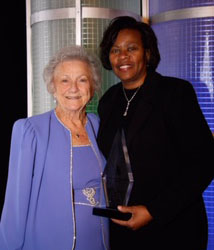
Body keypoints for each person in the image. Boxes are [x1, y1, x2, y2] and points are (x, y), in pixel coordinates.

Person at [97, 15, 214, 250]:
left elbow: (205, 162)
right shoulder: (108, 100)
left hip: (172, 227)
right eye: (115, 50)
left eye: (132, 48)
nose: (123, 57)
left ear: (147, 53)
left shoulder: (175, 93)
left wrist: (153, 211)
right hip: (122, 231)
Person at [0, 45, 109, 250]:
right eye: (65, 80)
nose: (73, 88)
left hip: (98, 241)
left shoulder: (98, 125)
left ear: (92, 87)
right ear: (53, 86)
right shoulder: (30, 130)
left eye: (82, 80)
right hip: (50, 242)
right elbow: (15, 204)